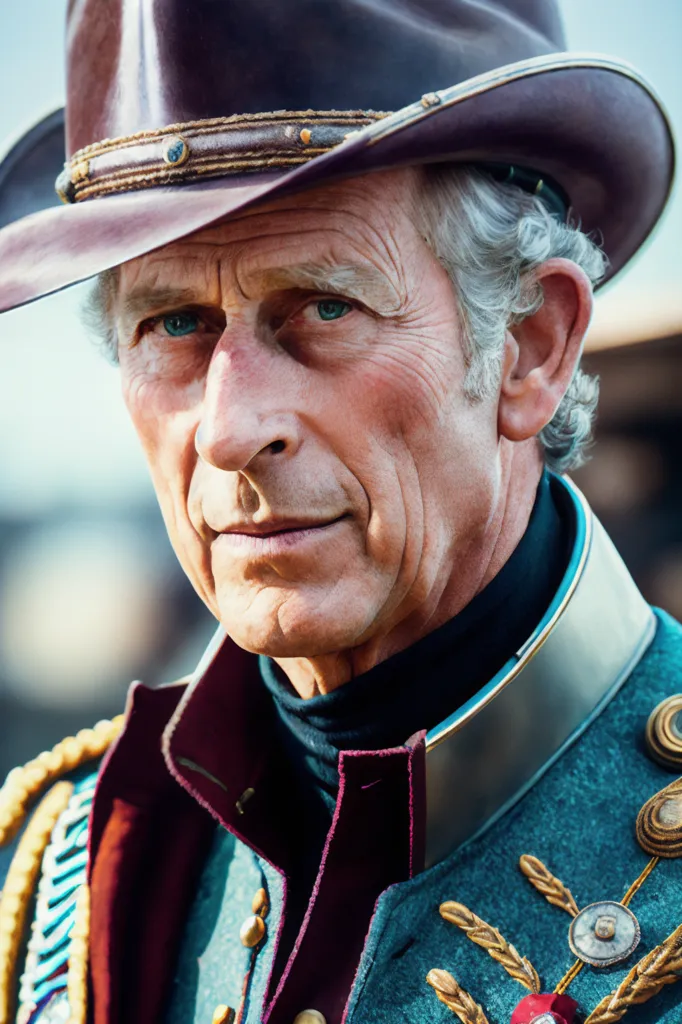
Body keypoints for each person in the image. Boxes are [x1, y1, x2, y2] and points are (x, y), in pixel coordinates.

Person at [0, 2, 680, 1023]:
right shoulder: (77, 856)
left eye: (323, 306)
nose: (230, 429)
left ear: (530, 347)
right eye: (172, 323)